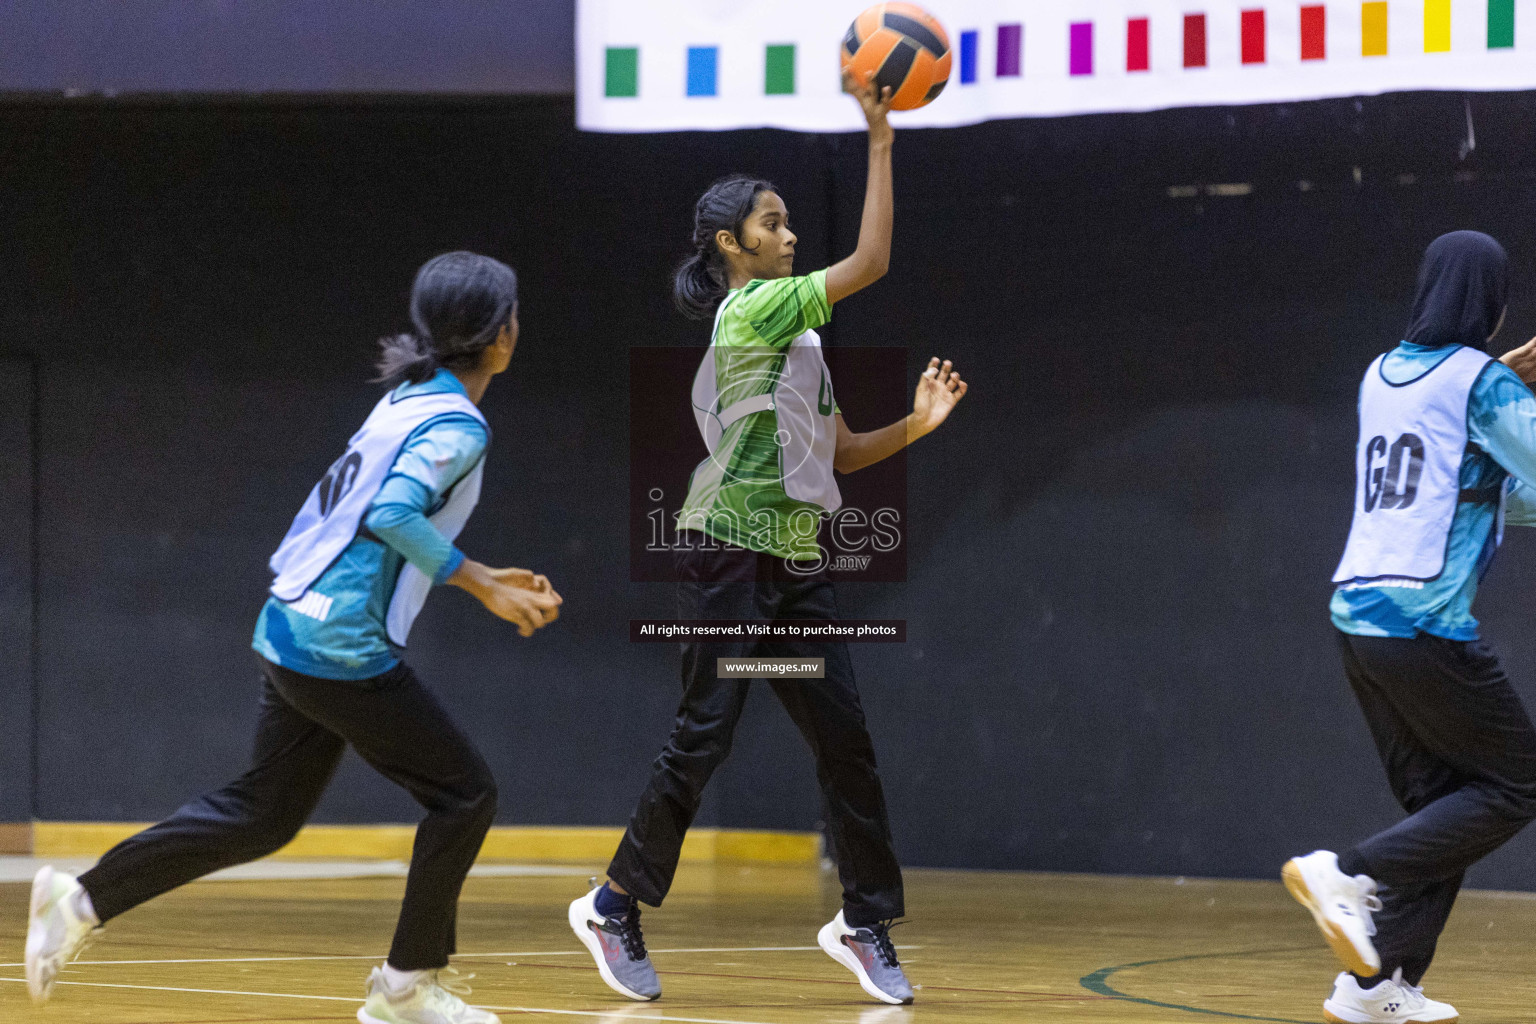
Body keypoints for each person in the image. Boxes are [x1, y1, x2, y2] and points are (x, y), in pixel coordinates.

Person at [25, 251, 562, 1024]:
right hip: (339, 646)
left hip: (289, 623)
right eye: (514, 315)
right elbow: (391, 514)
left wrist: (480, 573)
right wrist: (482, 582)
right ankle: (405, 989)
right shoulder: (456, 424)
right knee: (464, 794)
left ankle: (78, 902)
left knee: (264, 813)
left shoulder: (410, 394)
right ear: (499, 334)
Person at [567, 69, 968, 1007]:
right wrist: (881, 137)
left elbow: (842, 454)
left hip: (794, 564)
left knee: (845, 739)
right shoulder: (751, 308)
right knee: (706, 732)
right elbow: (869, 263)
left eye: (790, 223)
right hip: (731, 556)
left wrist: (915, 426)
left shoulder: (802, 341)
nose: (789, 236)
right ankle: (612, 903)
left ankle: (863, 922)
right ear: (730, 245)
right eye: (773, 224)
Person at [1284, 230, 1536, 1024]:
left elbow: (1480, 489)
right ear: (1492, 304)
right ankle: (1346, 872)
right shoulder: (1481, 384)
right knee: (1518, 782)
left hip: (1359, 620)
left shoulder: (1383, 374)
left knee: (1446, 810)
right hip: (1426, 623)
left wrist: (1503, 390)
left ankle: (1372, 988)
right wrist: (1507, 392)